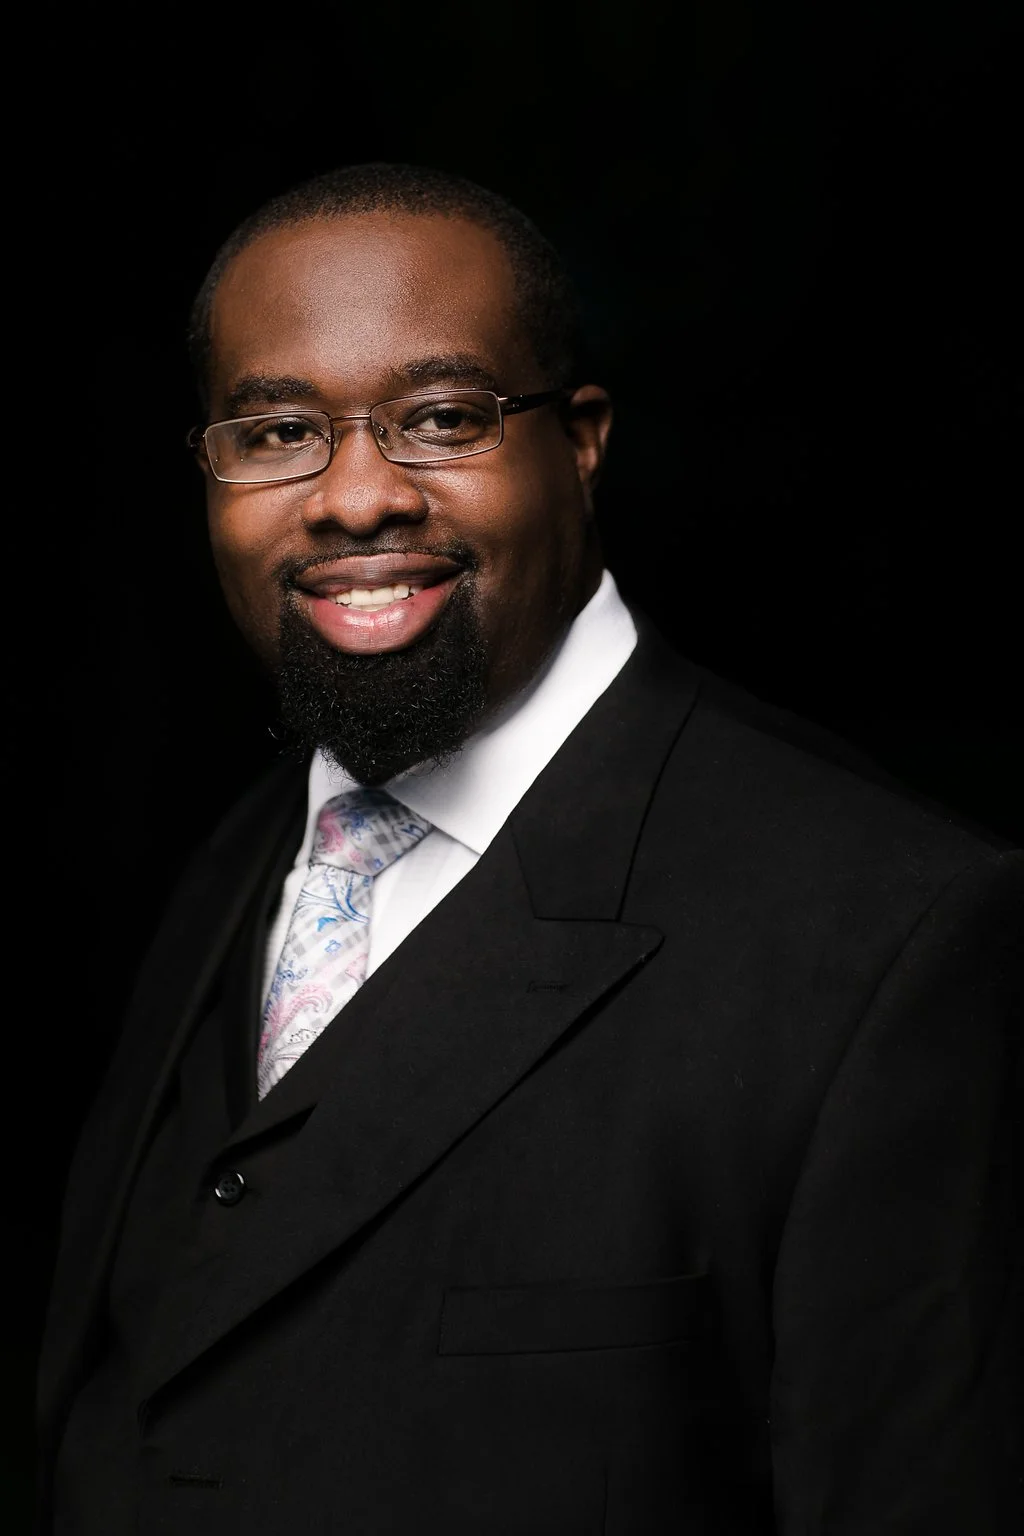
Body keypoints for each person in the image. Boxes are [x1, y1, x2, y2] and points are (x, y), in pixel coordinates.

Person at [39, 162, 1022, 1534]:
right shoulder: (226, 864)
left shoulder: (888, 934)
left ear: (584, 439)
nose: (355, 497)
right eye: (275, 434)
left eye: (442, 418)